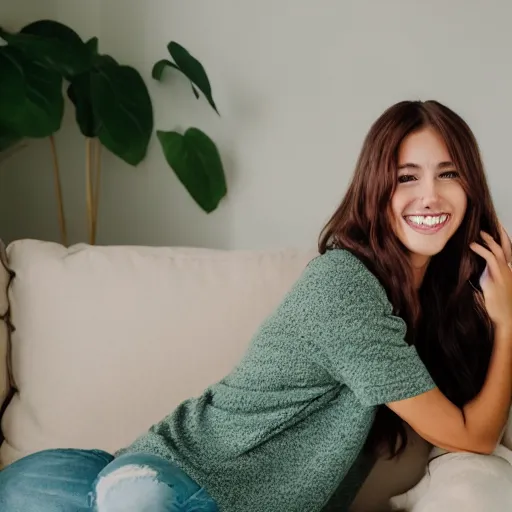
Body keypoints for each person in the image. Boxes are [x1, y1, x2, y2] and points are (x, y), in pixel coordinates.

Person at [1, 100, 512, 512]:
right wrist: (510, 322)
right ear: (376, 190)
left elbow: (472, 434)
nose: (430, 195)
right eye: (406, 177)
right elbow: (472, 436)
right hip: (165, 477)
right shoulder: (345, 285)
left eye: (449, 174)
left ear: (470, 188)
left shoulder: (428, 306)